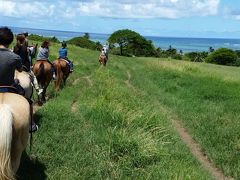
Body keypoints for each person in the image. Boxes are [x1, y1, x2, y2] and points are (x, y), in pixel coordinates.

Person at [0, 27, 38, 132]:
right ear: (10, 40)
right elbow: (20, 70)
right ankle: (31, 124)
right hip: (9, 86)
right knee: (28, 101)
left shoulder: (15, 50)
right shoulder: (14, 57)